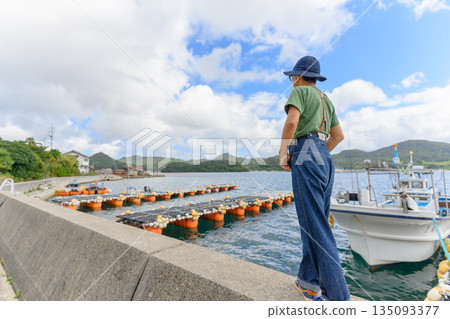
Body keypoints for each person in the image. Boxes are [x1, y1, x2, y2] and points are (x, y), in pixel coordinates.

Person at [278, 56, 350, 301]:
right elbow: (338, 135)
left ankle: (339, 299)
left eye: (292, 77)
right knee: (316, 221)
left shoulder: (299, 92)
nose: (292, 81)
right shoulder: (325, 99)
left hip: (304, 151)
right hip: (324, 156)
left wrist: (283, 153)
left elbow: (292, 122)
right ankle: (308, 281)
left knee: (315, 225)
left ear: (298, 76)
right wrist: (318, 152)